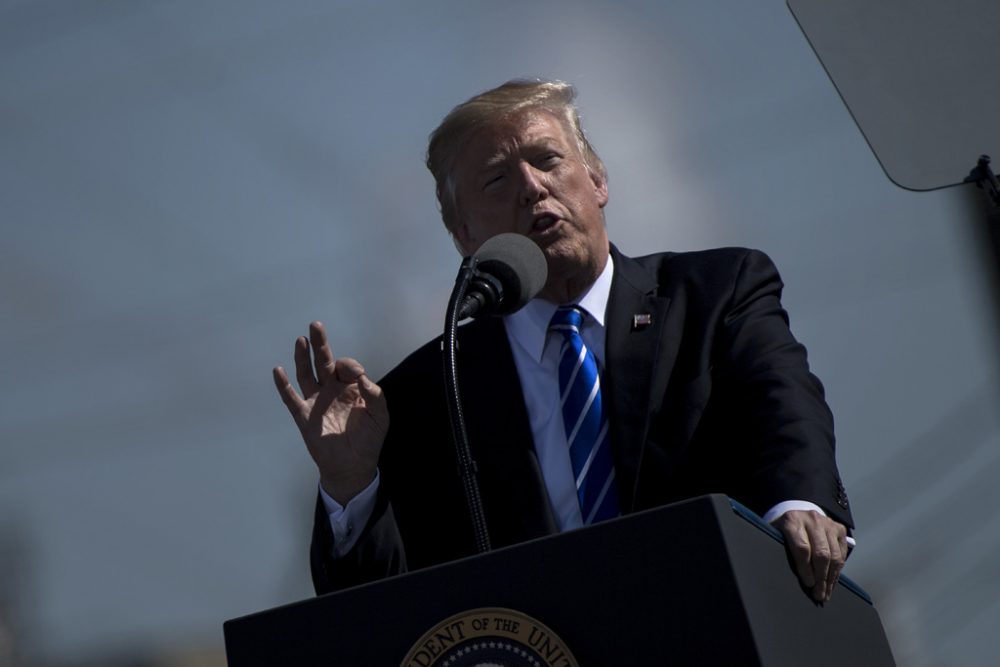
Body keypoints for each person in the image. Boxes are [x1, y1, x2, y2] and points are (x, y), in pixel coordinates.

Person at [273, 79, 854, 603]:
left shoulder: (715, 293)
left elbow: (782, 400)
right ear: (465, 235)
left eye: (547, 160)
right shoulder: (426, 392)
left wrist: (798, 502)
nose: (531, 187)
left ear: (597, 180)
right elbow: (381, 611)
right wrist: (352, 486)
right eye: (498, 179)